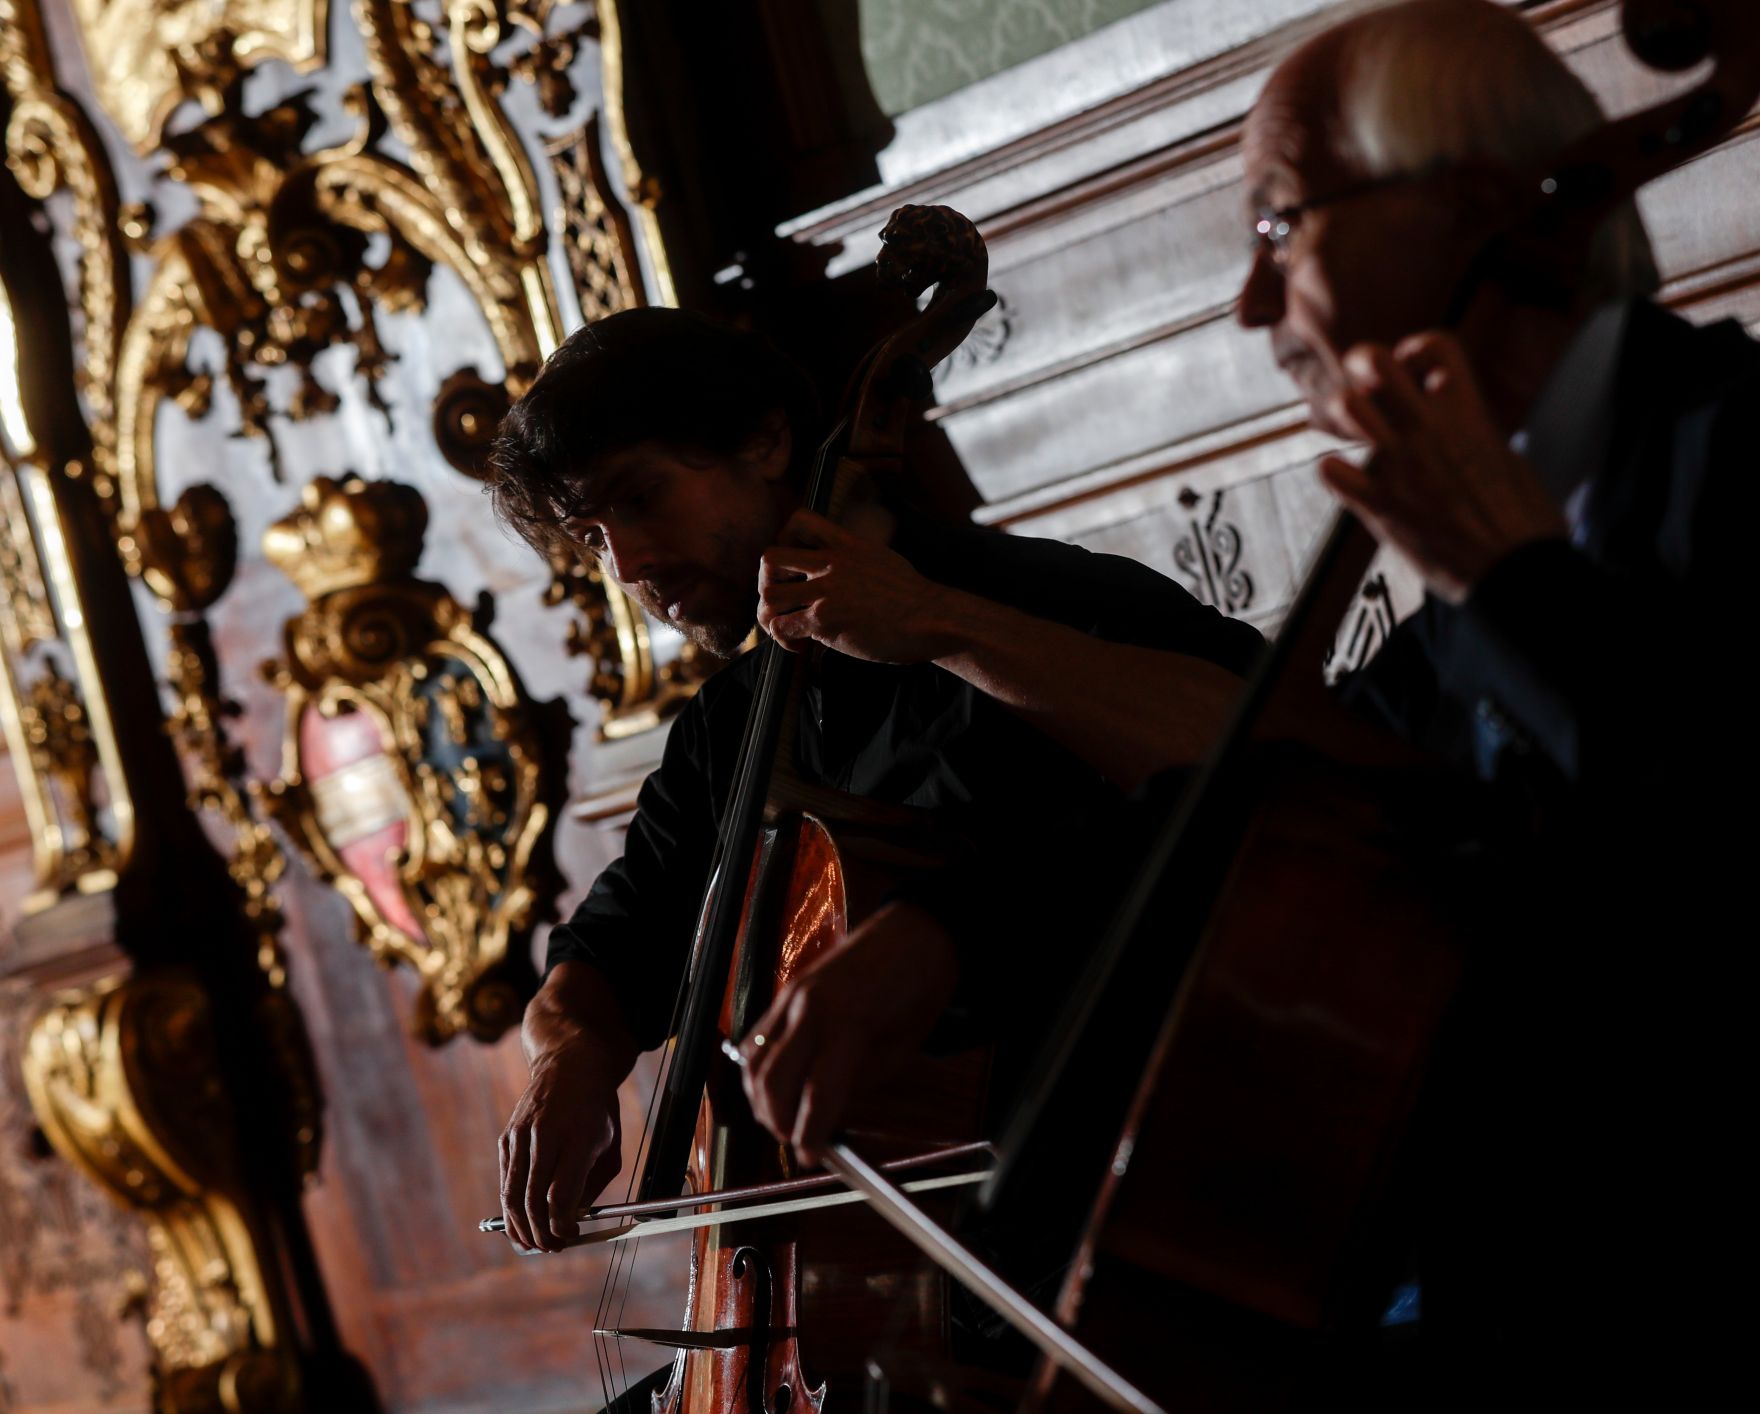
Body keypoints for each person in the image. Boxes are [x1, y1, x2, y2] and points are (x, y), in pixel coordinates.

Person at [486, 307, 1263, 1257]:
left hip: (1139, 1218)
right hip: (893, 1281)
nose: (629, 565)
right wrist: (568, 1056)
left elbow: (1261, 761)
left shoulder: (1035, 602)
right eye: (592, 536)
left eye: (642, 496)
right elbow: (612, 947)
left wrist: (946, 626)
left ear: (766, 440)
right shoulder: (725, 731)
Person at [1234, 0, 1753, 1403]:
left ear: (1472, 204)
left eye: (1277, 226)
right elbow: (1287, 797)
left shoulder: (1732, 446)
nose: (1247, 300)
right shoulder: (1468, 554)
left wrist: (1509, 575)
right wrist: (945, 932)